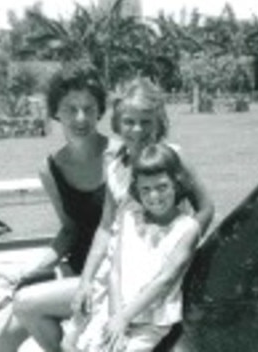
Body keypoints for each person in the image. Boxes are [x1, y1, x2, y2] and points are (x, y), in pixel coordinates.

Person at [64, 76, 214, 351]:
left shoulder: (172, 159)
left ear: (159, 122)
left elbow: (205, 208)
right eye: (129, 121)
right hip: (118, 268)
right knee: (73, 339)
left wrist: (182, 245)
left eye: (146, 122)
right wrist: (86, 279)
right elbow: (106, 227)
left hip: (157, 273)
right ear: (117, 123)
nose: (137, 129)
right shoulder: (115, 167)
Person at [0, 65, 118, 352]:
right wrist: (31, 270)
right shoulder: (51, 168)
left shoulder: (119, 156)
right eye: (71, 109)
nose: (80, 118)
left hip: (111, 275)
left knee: (27, 305)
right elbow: (70, 230)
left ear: (100, 110)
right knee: (1, 334)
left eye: (88, 108)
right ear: (56, 112)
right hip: (75, 269)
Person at [64, 143, 201, 351]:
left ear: (176, 182)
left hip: (150, 321)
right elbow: (116, 272)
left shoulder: (186, 228)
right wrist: (116, 318)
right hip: (115, 310)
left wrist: (124, 319)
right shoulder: (129, 218)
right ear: (136, 189)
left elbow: (165, 280)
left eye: (162, 187)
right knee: (73, 345)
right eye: (146, 189)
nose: (154, 196)